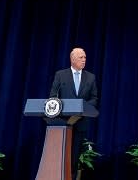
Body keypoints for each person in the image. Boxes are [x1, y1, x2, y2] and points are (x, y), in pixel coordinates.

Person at [50, 47, 99, 180]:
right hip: (61, 123)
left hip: (80, 123)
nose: (84, 60)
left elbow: (94, 98)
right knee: (60, 156)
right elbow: (53, 96)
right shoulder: (60, 75)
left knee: (74, 157)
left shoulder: (91, 77)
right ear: (72, 59)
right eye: (81, 57)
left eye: (85, 57)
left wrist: (83, 108)